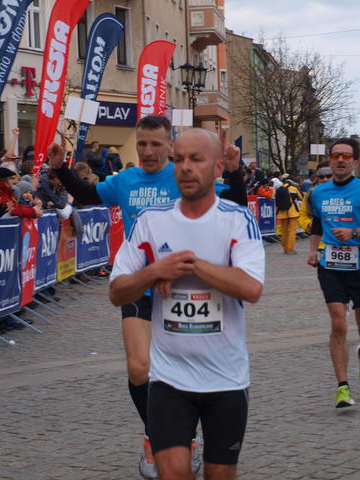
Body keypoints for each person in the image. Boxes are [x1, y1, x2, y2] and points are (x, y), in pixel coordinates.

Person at [46, 115, 245, 478]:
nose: (148, 151)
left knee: (189, 372)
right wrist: (59, 168)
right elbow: (87, 194)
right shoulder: (125, 180)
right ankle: (160, 437)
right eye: (142, 144)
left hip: (184, 291)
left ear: (170, 146)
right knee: (140, 369)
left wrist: (234, 173)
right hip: (139, 284)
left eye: (156, 144)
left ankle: (185, 437)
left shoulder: (185, 176)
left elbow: (233, 207)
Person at [109, 128, 264, 480]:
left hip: (225, 378)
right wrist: (154, 272)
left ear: (218, 167)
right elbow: (117, 292)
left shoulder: (237, 219)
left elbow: (251, 288)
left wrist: (191, 266)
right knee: (172, 473)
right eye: (179, 159)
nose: (186, 167)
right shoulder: (150, 221)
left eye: (196, 159)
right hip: (169, 379)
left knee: (219, 474)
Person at [307, 138, 360, 408]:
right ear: (330, 160)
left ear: (354, 161)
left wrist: (354, 232)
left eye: (346, 156)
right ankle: (342, 387)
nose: (340, 160)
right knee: (339, 323)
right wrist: (313, 250)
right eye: (336, 156)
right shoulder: (318, 193)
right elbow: (317, 224)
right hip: (331, 265)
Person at [275, 173, 303, 255]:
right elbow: (301, 197)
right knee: (292, 231)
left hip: (282, 212)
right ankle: (290, 249)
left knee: (284, 231)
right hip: (292, 212)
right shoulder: (293, 188)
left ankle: (285, 248)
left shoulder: (279, 188)